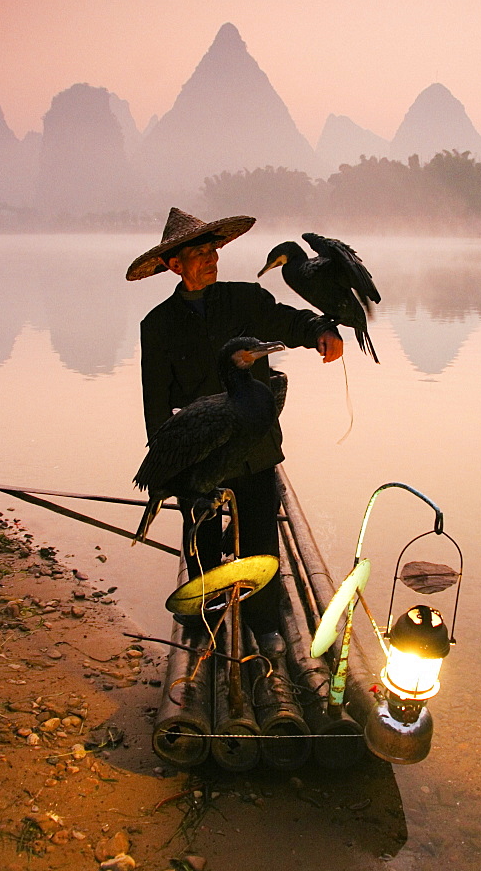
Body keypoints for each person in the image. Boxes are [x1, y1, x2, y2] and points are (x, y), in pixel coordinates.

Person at [126, 208, 343, 653]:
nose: (211, 259)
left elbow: (290, 322)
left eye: (213, 250)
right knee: (201, 539)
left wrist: (322, 330)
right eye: (199, 253)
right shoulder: (158, 325)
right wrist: (167, 465)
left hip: (254, 448)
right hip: (199, 455)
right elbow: (155, 404)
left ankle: (264, 624)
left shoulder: (246, 299)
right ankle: (205, 620)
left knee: (261, 536)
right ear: (174, 264)